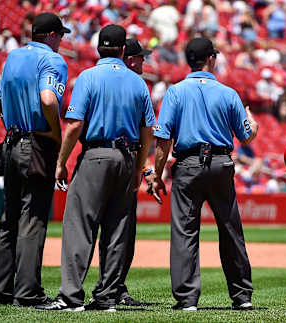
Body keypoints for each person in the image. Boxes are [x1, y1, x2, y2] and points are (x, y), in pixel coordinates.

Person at [36, 25, 155, 312]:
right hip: (127, 156)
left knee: (80, 225)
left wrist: (62, 162)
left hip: (96, 154)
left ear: (98, 48)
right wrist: (140, 166)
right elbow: (148, 129)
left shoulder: (88, 76)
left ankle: (70, 296)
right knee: (117, 230)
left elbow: (75, 124)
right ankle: (106, 297)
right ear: (123, 50)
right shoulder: (139, 83)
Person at [149, 37, 258, 311]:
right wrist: (253, 123)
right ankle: (242, 296)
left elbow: (163, 139)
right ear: (211, 58)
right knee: (230, 229)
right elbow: (246, 136)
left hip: (187, 165)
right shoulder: (228, 93)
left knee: (185, 232)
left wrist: (157, 174)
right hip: (221, 163)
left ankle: (187, 300)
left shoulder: (175, 92)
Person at [0, 12, 70, 307]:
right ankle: (28, 293)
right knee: (33, 219)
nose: (62, 40)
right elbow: (49, 99)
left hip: (10, 141)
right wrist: (55, 136)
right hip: (36, 143)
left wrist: (14, 127)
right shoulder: (53, 60)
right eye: (60, 35)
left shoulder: (13, 57)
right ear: (50, 35)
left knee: (8, 219)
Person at [87, 38, 154, 307]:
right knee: (112, 228)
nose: (144, 61)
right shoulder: (131, 85)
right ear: (128, 58)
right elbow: (145, 131)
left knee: (122, 232)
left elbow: (141, 134)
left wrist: (145, 168)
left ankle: (115, 287)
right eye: (140, 57)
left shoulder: (133, 85)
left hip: (118, 159)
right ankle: (104, 289)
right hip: (113, 160)